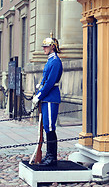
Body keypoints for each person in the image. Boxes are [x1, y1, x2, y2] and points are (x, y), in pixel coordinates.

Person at [32, 37, 63, 166]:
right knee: (46, 126)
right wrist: (40, 90)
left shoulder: (55, 61)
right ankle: (49, 155)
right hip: (47, 97)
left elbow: (50, 82)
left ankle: (52, 157)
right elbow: (45, 80)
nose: (44, 48)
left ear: (53, 47)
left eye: (46, 46)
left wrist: (39, 95)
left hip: (51, 97)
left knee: (50, 127)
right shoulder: (50, 60)